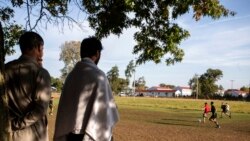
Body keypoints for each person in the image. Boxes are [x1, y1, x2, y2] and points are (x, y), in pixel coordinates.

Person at [54, 36, 119, 141]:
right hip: (90, 135)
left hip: (70, 136)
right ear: (97, 53)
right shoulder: (99, 76)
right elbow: (106, 111)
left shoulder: (71, 76)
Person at [4, 31, 51, 141]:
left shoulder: (5, 69)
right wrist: (16, 124)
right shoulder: (40, 73)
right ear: (38, 47)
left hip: (11, 135)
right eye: (42, 48)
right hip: (33, 134)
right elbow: (40, 110)